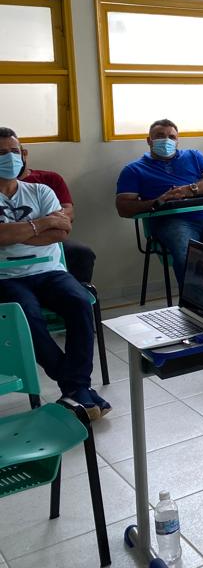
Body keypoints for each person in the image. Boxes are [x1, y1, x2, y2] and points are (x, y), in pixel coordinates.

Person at [0, 128, 110, 420]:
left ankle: (74, 389)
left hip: (49, 270)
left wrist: (14, 234)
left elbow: (62, 231)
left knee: (79, 303)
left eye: (13, 151)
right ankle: (76, 387)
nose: (9, 158)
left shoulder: (40, 191)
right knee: (26, 315)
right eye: (1, 153)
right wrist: (40, 224)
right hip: (5, 277)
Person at [115, 119, 203, 290]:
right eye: (160, 136)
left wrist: (188, 190)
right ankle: (196, 303)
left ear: (177, 140)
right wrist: (158, 201)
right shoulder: (134, 170)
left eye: (172, 137)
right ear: (149, 140)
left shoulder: (194, 156)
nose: (167, 141)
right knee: (187, 254)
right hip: (172, 222)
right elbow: (123, 207)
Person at [15, 132, 96, 284]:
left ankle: (78, 290)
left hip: (48, 240)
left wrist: (26, 229)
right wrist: (47, 220)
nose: (9, 158)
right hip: (7, 248)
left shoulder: (48, 180)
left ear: (24, 153)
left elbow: (67, 215)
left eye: (13, 152)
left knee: (81, 252)